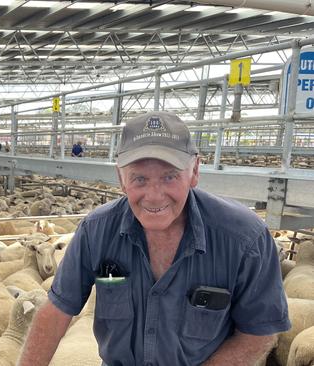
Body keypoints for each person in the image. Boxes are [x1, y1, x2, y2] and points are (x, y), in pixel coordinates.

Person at [18, 112, 290, 366]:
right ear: (121, 178)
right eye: (139, 179)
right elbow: (55, 313)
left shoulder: (244, 239)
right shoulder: (96, 230)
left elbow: (259, 333)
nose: (154, 196)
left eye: (170, 176)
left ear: (194, 171)